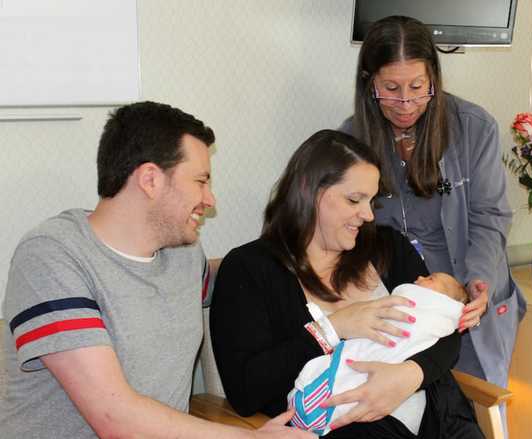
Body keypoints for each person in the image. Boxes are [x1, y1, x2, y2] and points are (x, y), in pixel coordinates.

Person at [0, 101, 313, 439]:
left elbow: (243, 281)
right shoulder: (52, 257)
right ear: (150, 179)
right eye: (201, 181)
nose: (210, 200)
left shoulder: (185, 256)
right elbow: (114, 418)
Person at [210, 130, 484, 439]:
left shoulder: (388, 248)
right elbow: (246, 392)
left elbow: (444, 330)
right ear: (308, 189)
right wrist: (332, 329)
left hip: (441, 417)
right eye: (354, 199)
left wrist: (409, 376)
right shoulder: (249, 270)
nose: (368, 215)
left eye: (371, 200)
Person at [339, 15, 526, 405]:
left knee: (474, 410)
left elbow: (490, 217)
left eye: (417, 87)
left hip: (467, 300)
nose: (405, 103)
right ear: (369, 82)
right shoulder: (351, 139)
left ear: (434, 81)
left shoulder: (473, 127)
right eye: (391, 88)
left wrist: (478, 281)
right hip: (399, 313)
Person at [288, 273, 468, 436]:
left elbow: (450, 337)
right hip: (360, 424)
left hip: (437, 416)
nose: (419, 277)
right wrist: (331, 327)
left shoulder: (393, 248)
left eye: (430, 279)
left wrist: (413, 373)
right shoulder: (269, 271)